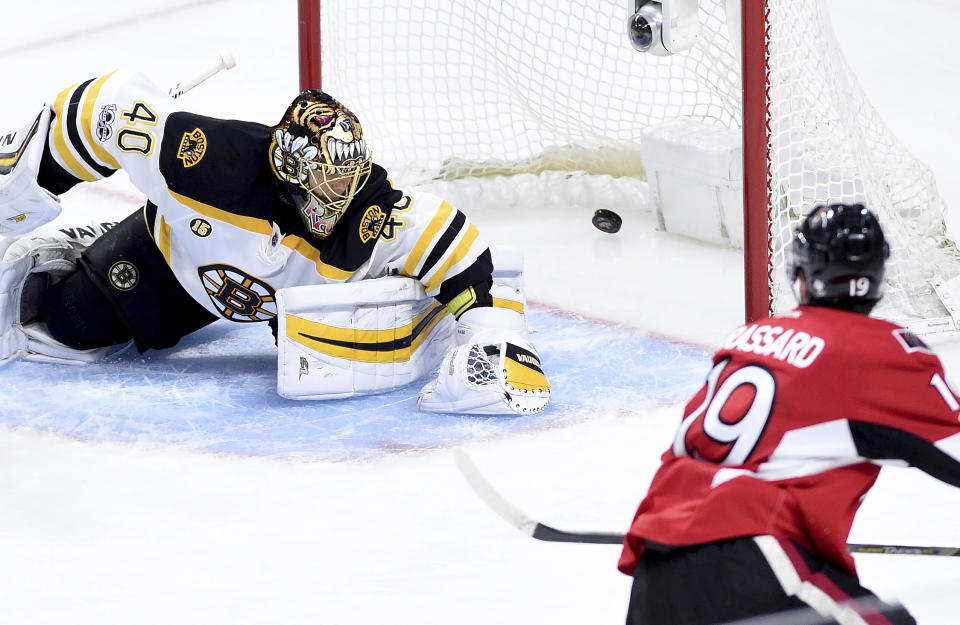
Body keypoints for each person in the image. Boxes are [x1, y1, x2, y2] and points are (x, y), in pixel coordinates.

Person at [0, 70, 550, 415]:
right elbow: (105, 106)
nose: (345, 191)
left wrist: (492, 336)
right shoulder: (210, 160)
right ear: (291, 168)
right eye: (329, 178)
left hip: (254, 299)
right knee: (67, 324)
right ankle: (85, 248)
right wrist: (24, 177)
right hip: (177, 259)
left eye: (350, 174)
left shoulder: (374, 213)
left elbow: (459, 247)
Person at [619, 204, 960, 625]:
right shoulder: (882, 350)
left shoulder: (749, 338)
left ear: (799, 275)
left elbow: (687, 448)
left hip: (657, 563)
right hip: (755, 558)